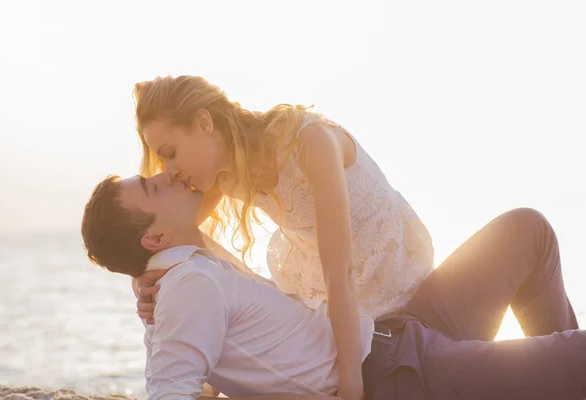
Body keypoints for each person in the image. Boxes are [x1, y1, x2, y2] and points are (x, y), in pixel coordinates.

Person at [132, 75, 580, 400]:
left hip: (414, 304)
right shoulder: (217, 177)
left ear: (205, 122)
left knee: (528, 228)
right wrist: (147, 280)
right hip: (383, 340)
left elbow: (338, 272)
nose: (169, 169)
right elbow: (175, 238)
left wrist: (351, 389)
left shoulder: (309, 142)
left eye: (169, 152)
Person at [81, 172, 586, 400]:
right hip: (399, 377)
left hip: (395, 335)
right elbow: (171, 390)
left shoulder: (191, 273)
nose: (167, 174)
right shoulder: (188, 284)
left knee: (527, 231)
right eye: (152, 187)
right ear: (155, 235)